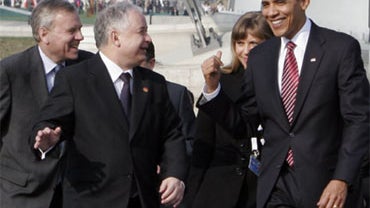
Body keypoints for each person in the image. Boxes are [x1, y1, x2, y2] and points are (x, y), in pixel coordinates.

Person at [198, 0, 370, 208]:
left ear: (304, 3)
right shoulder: (260, 57)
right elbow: (245, 124)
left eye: (280, 2)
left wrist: (342, 179)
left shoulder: (340, 49)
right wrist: (213, 90)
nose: (271, 12)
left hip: (327, 189)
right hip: (276, 187)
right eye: (266, 4)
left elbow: (359, 121)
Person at [31, 2, 187, 208]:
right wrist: (46, 139)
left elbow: (172, 135)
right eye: (142, 32)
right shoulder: (75, 79)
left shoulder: (154, 83)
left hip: (143, 199)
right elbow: (48, 122)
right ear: (116, 37)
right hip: (92, 199)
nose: (148, 39)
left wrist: (174, 174)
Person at [0, 0, 93, 207]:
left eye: (80, 29)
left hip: (77, 193)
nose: (80, 37)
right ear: (44, 34)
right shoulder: (10, 71)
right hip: (21, 196)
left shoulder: (89, 67)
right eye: (72, 30)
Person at [185, 11, 273, 208]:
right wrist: (190, 197)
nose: (246, 50)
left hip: (263, 193)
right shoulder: (220, 82)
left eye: (253, 43)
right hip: (219, 193)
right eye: (240, 43)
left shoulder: (281, 84)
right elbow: (202, 144)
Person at [140, 41, 195, 158]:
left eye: (138, 64)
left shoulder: (176, 94)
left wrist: (165, 162)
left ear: (151, 63)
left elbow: (190, 142)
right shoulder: (118, 93)